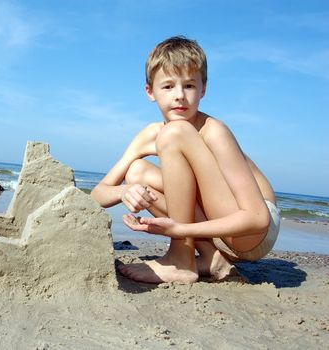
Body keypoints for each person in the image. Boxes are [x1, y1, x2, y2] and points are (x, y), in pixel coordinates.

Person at [90, 36, 280, 284]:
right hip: (221, 226)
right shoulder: (151, 133)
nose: (179, 96)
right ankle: (213, 259)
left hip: (253, 233)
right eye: (168, 86)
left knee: (175, 132)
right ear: (150, 92)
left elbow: (257, 218)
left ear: (203, 89)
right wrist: (125, 191)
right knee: (137, 172)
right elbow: (97, 195)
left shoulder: (214, 131)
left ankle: (181, 258)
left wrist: (181, 230)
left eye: (189, 86)